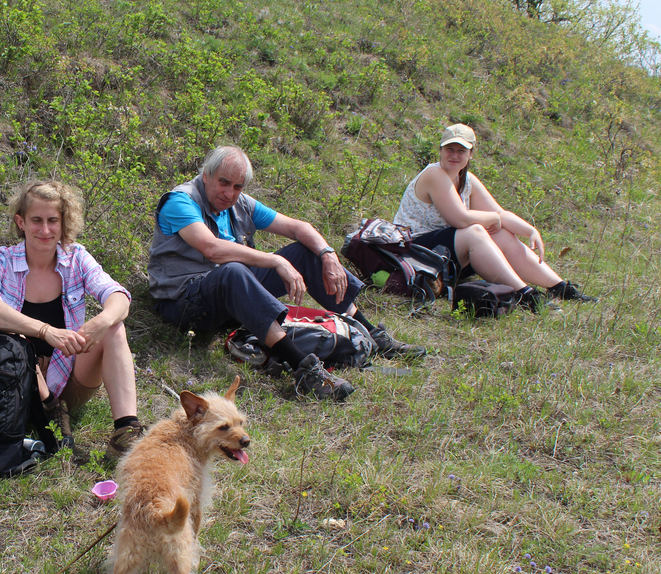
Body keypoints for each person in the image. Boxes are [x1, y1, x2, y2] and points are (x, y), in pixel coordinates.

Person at [148, 146, 425, 401]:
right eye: (223, 182)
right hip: (184, 302)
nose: (229, 193)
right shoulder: (180, 201)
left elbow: (298, 228)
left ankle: (372, 332)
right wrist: (275, 260)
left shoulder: (240, 203)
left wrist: (327, 254)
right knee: (233, 271)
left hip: (232, 294)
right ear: (206, 174)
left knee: (306, 252)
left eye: (237, 186)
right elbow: (212, 249)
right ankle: (304, 369)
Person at [0, 181, 143, 460]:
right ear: (21, 222)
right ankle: (44, 410)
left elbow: (119, 296)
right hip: (13, 387)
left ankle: (126, 432)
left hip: (67, 380)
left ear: (64, 225)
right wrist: (46, 332)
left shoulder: (76, 257)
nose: (45, 230)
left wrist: (100, 322)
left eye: (53, 221)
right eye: (36, 220)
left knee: (114, 327)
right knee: (3, 330)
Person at [394, 123, 596, 310]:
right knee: (475, 231)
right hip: (413, 252)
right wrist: (492, 219)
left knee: (498, 233)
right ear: (440, 150)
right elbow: (460, 219)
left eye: (461, 150)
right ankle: (525, 296)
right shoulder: (434, 174)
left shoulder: (466, 179)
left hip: (442, 255)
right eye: (449, 149)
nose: (454, 155)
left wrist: (531, 231)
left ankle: (559, 288)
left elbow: (499, 213)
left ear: (471, 154)